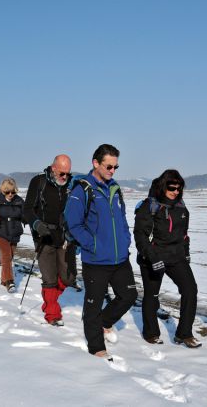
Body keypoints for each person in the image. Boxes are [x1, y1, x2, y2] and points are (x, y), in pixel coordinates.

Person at [64, 144, 137, 359]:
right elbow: (73, 224)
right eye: (109, 166)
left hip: (119, 257)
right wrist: (92, 244)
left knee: (129, 295)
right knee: (93, 304)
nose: (112, 171)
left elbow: (122, 219)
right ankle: (96, 347)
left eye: (116, 167)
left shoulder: (114, 188)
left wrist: (125, 239)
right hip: (96, 260)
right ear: (95, 163)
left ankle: (104, 322)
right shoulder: (82, 190)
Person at [134, 170, 200, 348]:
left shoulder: (180, 206)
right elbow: (141, 236)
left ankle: (184, 334)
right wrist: (152, 257)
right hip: (153, 256)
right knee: (152, 295)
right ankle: (151, 333)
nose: (176, 191)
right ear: (163, 187)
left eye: (179, 188)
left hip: (176, 256)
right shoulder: (150, 206)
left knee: (190, 290)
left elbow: (184, 234)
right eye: (172, 188)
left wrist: (185, 252)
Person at [23, 154, 76, 326]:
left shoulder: (71, 185)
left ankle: (50, 299)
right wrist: (37, 224)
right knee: (49, 278)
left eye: (68, 173)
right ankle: (52, 313)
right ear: (53, 168)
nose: (65, 177)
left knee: (69, 277)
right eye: (62, 173)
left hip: (65, 236)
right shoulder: (38, 182)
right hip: (43, 236)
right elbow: (27, 209)